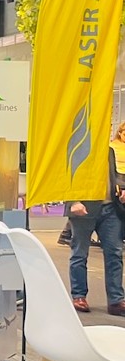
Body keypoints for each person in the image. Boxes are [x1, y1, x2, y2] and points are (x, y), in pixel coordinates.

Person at [65, 121, 125, 316]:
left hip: (110, 208)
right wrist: (73, 201)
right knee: (79, 254)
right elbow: (66, 176)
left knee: (115, 253)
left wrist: (122, 189)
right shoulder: (77, 147)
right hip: (83, 207)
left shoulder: (109, 151)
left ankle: (116, 300)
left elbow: (114, 175)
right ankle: (79, 296)